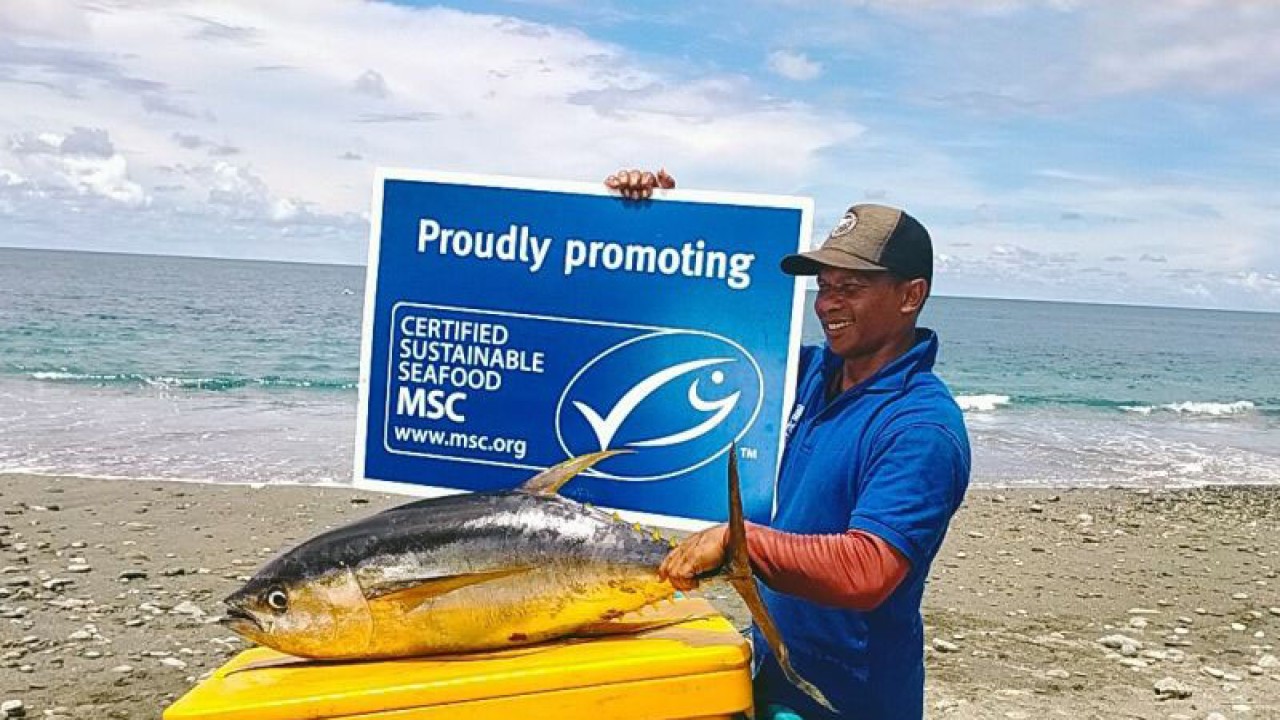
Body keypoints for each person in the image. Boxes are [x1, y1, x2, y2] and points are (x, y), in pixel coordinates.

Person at [605, 169, 972, 720]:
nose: (827, 304)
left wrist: (739, 541)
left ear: (910, 296)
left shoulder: (920, 427)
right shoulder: (807, 372)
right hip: (771, 671)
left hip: (850, 702)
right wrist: (654, 217)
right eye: (824, 286)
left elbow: (868, 569)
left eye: (850, 287)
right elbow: (688, 320)